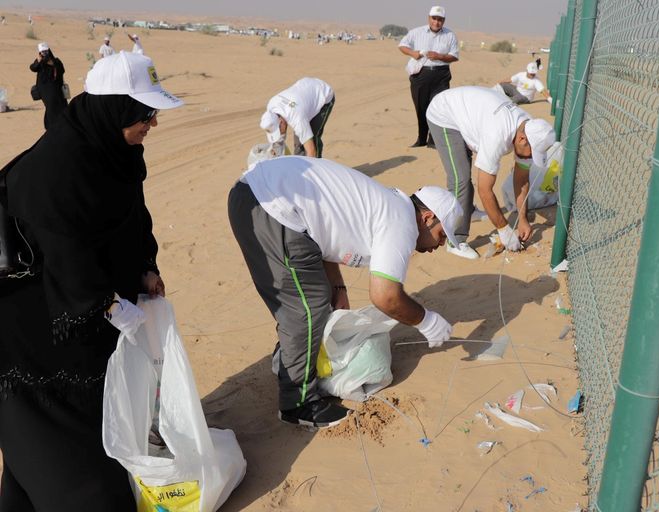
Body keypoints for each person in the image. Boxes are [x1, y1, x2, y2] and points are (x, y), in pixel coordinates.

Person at [0, 51, 183, 510]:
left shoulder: (117, 153)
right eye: (145, 113)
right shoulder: (59, 167)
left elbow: (133, 216)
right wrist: (106, 303)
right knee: (61, 449)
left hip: (77, 317)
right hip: (30, 326)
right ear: (114, 108)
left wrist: (145, 266)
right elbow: (64, 247)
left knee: (89, 422)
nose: (153, 123)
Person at [228, 156, 460, 428]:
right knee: (307, 310)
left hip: (258, 197)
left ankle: (289, 362)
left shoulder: (390, 205)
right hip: (269, 206)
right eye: (442, 235)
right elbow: (385, 296)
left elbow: (324, 233)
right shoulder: (402, 222)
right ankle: (298, 404)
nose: (439, 246)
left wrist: (337, 286)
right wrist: (427, 321)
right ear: (428, 217)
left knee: (313, 301)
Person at [426, 86, 555, 259]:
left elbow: (521, 179)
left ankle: (468, 210)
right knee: (460, 179)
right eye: (532, 153)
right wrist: (504, 229)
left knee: (466, 172)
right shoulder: (497, 136)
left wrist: (523, 219)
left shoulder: (531, 128)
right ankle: (454, 240)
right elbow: (485, 190)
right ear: (522, 139)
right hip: (444, 114)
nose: (530, 157)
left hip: (472, 113)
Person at [398, 5, 458, 148]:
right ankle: (421, 139)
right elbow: (402, 45)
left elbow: (454, 56)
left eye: (440, 19)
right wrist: (413, 53)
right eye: (434, 18)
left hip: (441, 75)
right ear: (429, 18)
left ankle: (433, 140)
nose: (436, 22)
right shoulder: (416, 32)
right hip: (420, 76)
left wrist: (440, 56)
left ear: (444, 21)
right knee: (421, 107)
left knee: (438, 108)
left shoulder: (450, 35)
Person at [259, 77, 335, 158]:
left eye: (279, 131)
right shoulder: (271, 106)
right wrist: (277, 152)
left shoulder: (297, 119)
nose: (280, 134)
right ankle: (299, 160)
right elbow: (279, 141)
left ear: (281, 122)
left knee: (313, 138)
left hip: (322, 93)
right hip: (302, 95)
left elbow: (311, 151)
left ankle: (318, 164)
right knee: (299, 144)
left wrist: (311, 165)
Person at [29, 42, 67, 129]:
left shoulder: (56, 61)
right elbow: (33, 68)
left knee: (61, 105)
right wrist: (38, 61)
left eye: (46, 51)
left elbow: (62, 70)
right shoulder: (39, 61)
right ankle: (50, 126)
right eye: (43, 52)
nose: (45, 53)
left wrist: (53, 64)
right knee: (50, 106)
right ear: (40, 53)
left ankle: (61, 123)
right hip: (44, 89)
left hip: (56, 87)